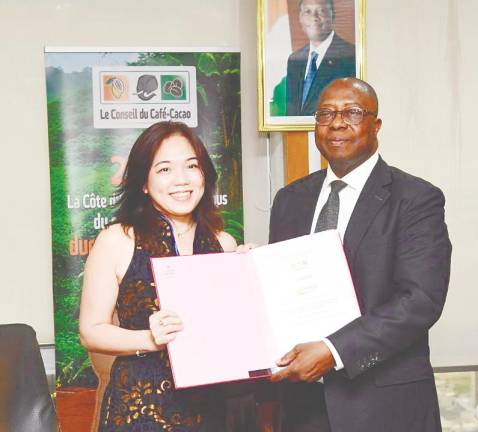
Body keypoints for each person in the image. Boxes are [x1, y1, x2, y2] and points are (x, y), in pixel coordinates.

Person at [269, 78, 451, 431]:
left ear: (376, 125)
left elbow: (420, 300)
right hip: (304, 405)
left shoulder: (416, 198)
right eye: (325, 114)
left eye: (352, 112)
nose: (337, 123)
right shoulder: (289, 200)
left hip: (384, 406)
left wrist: (332, 350)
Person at [79, 121, 242, 431]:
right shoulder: (118, 239)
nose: (181, 180)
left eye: (191, 166)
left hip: (213, 409)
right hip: (141, 411)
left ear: (204, 174)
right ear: (143, 182)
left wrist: (251, 273)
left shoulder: (225, 243)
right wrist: (149, 339)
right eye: (164, 170)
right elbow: (91, 331)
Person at [286, 0, 356, 116]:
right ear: (300, 18)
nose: (314, 18)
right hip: (297, 133)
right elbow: (291, 110)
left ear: (333, 15)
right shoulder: (294, 59)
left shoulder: (350, 56)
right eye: (307, 12)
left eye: (321, 11)